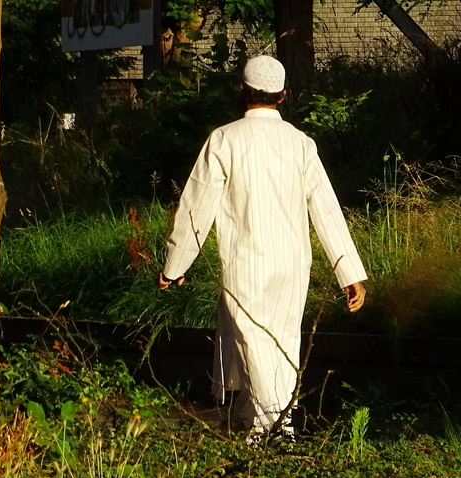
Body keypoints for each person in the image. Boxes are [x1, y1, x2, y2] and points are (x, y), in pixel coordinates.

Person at [157, 55, 367, 439]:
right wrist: (349, 273)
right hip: (292, 264)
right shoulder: (301, 144)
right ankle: (269, 427)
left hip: (245, 262)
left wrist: (176, 263)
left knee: (253, 342)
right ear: (283, 95)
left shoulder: (224, 139)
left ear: (243, 90)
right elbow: (326, 208)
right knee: (283, 343)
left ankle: (272, 431)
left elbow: (196, 207)